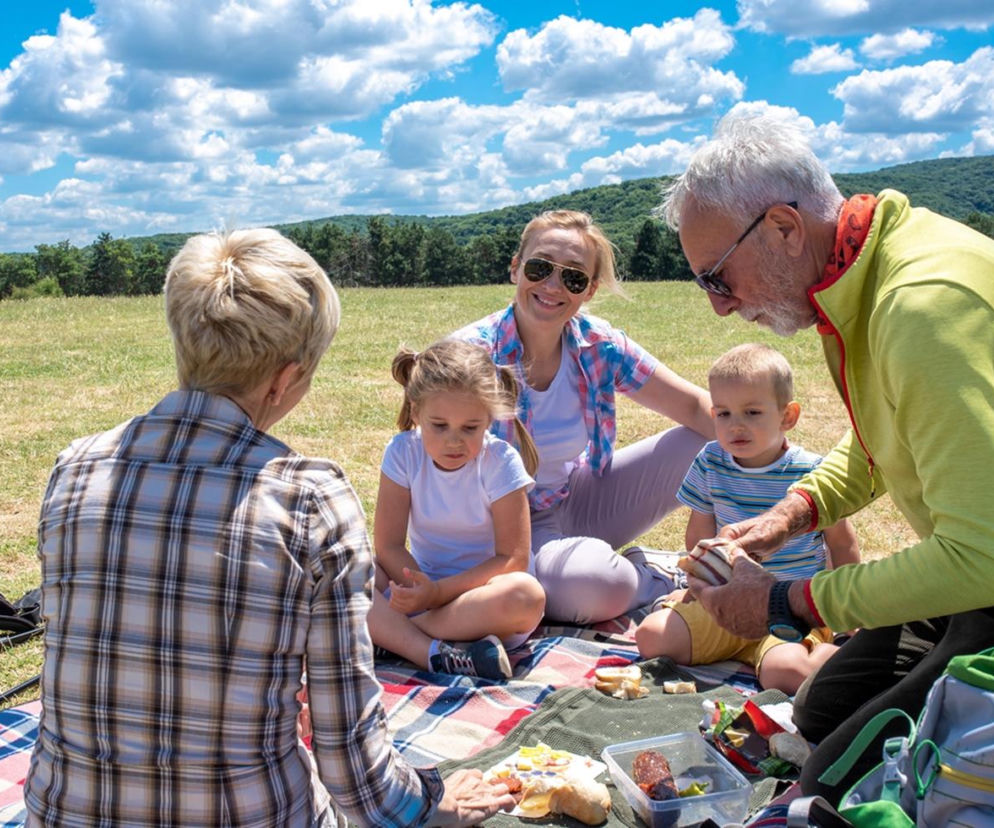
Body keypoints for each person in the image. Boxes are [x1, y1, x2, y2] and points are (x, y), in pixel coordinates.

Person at [24, 229, 515, 827]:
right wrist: (433, 802)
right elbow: (354, 769)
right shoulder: (309, 497)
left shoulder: (73, 468)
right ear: (283, 381)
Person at [660, 112, 994, 801]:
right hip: (976, 578)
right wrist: (792, 512)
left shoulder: (918, 305)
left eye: (718, 278)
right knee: (819, 712)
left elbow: (981, 554)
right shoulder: (855, 276)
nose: (720, 308)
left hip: (986, 577)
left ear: (783, 228)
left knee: (831, 785)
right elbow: (884, 436)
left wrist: (788, 601)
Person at [453, 209, 714, 624]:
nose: (553, 286)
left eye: (573, 277)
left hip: (574, 499)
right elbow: (420, 464)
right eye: (540, 268)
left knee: (713, 440)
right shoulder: (469, 357)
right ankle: (662, 578)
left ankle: (627, 568)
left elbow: (695, 407)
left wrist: (790, 473)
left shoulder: (598, 345)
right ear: (515, 269)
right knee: (587, 589)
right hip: (500, 531)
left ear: (589, 290)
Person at [634, 343, 859, 694]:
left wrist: (849, 615)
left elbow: (842, 543)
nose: (735, 425)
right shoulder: (711, 462)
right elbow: (699, 534)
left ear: (788, 416)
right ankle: (741, 649)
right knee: (650, 637)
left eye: (752, 413)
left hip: (788, 606)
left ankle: (838, 654)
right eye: (723, 414)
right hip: (725, 601)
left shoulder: (812, 472)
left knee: (785, 674)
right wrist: (697, 587)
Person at [367, 338, 546, 680]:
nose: (454, 441)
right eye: (439, 426)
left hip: (481, 600)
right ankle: (434, 654)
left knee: (527, 595)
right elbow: (388, 546)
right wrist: (415, 587)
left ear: (489, 420)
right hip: (420, 583)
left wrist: (435, 595)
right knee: (347, 573)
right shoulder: (403, 452)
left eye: (470, 428)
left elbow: (512, 559)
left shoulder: (500, 461)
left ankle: (394, 635)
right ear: (416, 412)